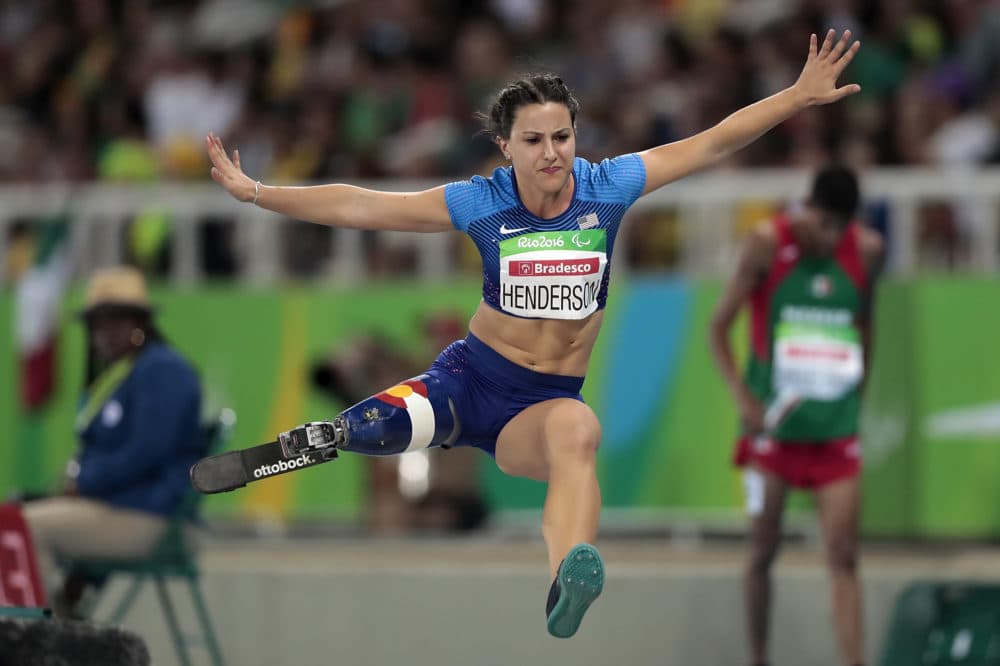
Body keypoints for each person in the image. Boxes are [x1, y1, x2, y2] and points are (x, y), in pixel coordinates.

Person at [206, 29, 862, 638]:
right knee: (375, 426)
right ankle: (309, 444)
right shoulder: (480, 203)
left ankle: (565, 584)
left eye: (563, 137)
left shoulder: (609, 189)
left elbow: (713, 141)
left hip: (540, 407)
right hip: (469, 382)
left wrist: (797, 97)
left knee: (579, 431)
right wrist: (258, 192)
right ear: (505, 146)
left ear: (577, 137)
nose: (552, 154)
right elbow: (362, 205)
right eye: (534, 141)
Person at [708, 165, 883, 666]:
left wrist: (855, 395)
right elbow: (717, 329)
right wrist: (743, 398)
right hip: (772, 434)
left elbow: (866, 327)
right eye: (822, 225)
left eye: (839, 230)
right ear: (807, 208)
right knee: (762, 551)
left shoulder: (867, 251)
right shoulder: (766, 243)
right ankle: (759, 657)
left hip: (835, 434)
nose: (828, 240)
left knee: (844, 557)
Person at [22, 266, 205, 617]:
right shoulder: (125, 372)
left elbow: (147, 453)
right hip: (127, 506)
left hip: (157, 517)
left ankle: (41, 643)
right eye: (97, 324)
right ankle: (60, 626)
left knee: (27, 528)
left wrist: (84, 483)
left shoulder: (162, 370)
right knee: (19, 516)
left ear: (142, 323)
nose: (104, 333)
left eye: (116, 322)